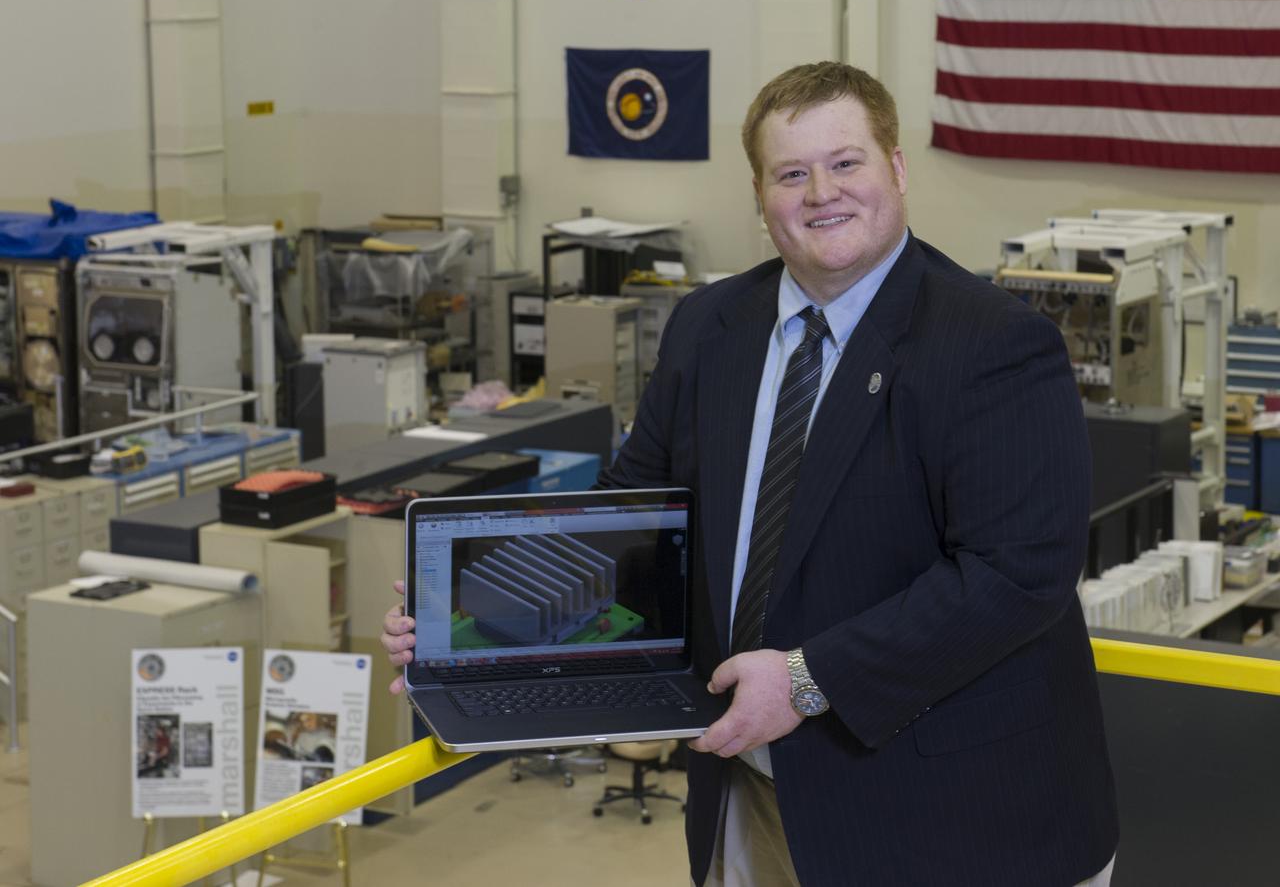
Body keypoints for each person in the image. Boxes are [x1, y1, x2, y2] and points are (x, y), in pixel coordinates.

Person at [384, 62, 1119, 886]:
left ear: (898, 170)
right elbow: (632, 518)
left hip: (952, 817)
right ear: (761, 197)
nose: (821, 193)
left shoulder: (992, 342)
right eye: (791, 173)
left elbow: (1018, 575)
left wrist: (808, 680)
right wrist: (460, 609)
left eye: (846, 163)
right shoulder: (711, 325)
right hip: (753, 792)